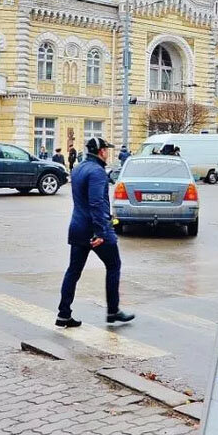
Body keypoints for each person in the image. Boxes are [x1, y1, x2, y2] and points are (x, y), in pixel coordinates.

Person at [56, 137, 134, 328]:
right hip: (95, 229)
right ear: (100, 151)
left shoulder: (78, 168)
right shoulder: (97, 172)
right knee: (114, 265)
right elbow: (96, 203)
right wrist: (100, 232)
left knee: (73, 271)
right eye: (106, 149)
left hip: (77, 226)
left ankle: (63, 314)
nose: (107, 153)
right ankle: (113, 311)